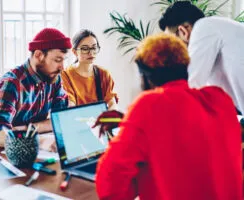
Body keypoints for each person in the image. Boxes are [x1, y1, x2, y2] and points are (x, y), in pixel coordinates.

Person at [94, 34, 242, 200]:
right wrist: (131, 122)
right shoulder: (220, 100)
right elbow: (190, 137)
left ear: (145, 77)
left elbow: (110, 185)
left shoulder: (150, 105)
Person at [0, 28, 72, 147]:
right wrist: (40, 142)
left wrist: (29, 129)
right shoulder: (11, 84)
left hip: (27, 152)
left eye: (64, 60)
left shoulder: (53, 79)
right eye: (58, 60)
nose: (62, 67)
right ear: (38, 55)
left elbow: (61, 120)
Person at [158, 1, 244, 114]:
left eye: (172, 41)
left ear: (183, 31)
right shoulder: (218, 31)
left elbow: (190, 86)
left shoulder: (204, 27)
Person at [61, 29, 118, 109]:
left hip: (100, 120)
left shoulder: (104, 74)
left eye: (94, 48)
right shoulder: (66, 75)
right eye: (85, 49)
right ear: (74, 52)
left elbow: (112, 104)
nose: (91, 53)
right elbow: (70, 107)